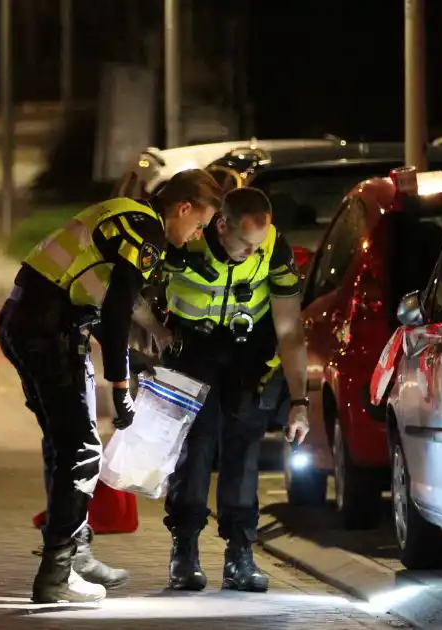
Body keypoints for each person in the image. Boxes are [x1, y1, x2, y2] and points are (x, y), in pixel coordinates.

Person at [0, 169, 222, 603]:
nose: (195, 235)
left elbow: (89, 299)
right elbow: (118, 311)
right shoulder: (148, 235)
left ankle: (72, 554)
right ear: (184, 208)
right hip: (48, 333)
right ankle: (57, 573)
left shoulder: (125, 214)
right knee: (82, 451)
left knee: (68, 447)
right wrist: (120, 388)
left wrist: (132, 360)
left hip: (29, 322)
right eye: (199, 225)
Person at [133, 186, 310, 593]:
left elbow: (289, 330)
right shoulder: (185, 242)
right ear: (221, 224)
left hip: (248, 361)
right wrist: (155, 333)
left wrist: (300, 401)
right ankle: (185, 550)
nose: (251, 252)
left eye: (257, 245)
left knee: (243, 453)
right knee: (194, 451)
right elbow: (129, 290)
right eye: (243, 243)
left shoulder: (273, 251)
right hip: (191, 353)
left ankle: (240, 553)